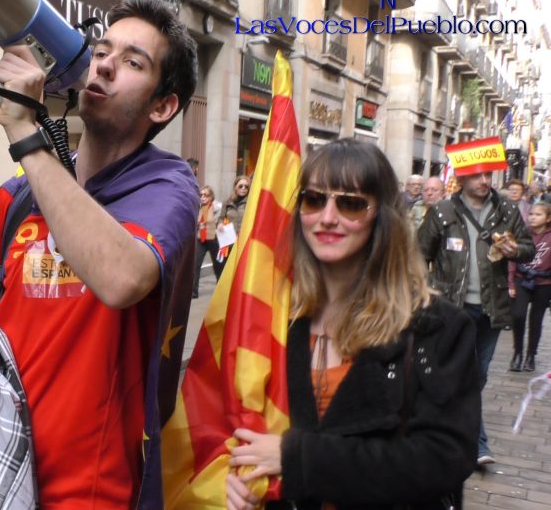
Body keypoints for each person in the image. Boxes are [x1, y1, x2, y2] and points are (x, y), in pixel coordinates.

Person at [0, 0, 199, 506]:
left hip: (91, 493)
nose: (105, 65)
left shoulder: (166, 186)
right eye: (101, 51)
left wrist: (23, 132)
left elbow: (122, 278)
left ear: (163, 106)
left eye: (133, 62)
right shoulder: (17, 196)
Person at [226, 139, 479, 510]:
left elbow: (444, 457)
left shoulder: (437, 327)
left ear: (382, 216)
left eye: (350, 203)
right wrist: (238, 479)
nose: (328, 217)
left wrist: (299, 458)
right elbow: (240, 427)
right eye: (314, 200)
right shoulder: (276, 317)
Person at [418, 147, 534, 467]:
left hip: (490, 307)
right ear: (462, 178)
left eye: (488, 174)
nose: (485, 181)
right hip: (451, 308)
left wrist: (516, 250)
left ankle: (451, 427)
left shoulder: (506, 209)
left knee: (477, 374)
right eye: (478, 175)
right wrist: (426, 289)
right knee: (462, 372)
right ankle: (476, 441)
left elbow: (528, 247)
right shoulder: (443, 211)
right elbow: (418, 254)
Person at [508, 202, 551, 372]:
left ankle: (531, 355)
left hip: (544, 282)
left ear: (548, 218)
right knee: (518, 315)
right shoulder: (522, 232)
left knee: (536, 320)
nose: (533, 217)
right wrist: (511, 282)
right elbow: (512, 257)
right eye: (531, 214)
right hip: (522, 278)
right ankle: (517, 352)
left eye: (538, 215)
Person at [193, 185, 221, 299]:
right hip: (201, 238)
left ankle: (221, 287)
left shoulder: (217, 207)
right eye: (201, 195)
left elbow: (221, 219)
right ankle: (193, 292)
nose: (203, 197)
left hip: (213, 238)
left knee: (218, 264)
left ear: (211, 196)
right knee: (196, 263)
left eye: (206, 195)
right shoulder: (198, 208)